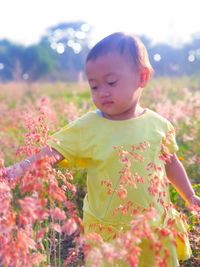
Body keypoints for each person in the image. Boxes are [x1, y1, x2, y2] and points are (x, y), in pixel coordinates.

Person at [2, 32, 200, 267]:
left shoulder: (159, 125)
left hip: (153, 224)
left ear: (142, 77)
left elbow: (171, 163)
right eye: (93, 86)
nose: (102, 92)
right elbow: (54, 150)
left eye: (111, 82)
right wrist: (18, 169)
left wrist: (189, 196)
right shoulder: (89, 126)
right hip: (108, 229)